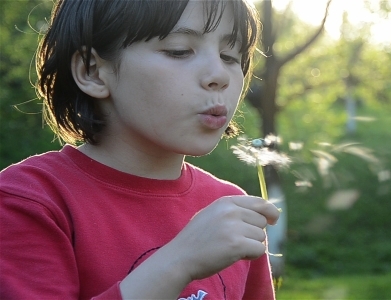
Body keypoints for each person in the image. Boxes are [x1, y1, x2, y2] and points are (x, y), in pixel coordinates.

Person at [0, 0, 281, 299]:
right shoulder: (32, 200)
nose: (220, 75)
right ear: (93, 72)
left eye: (229, 56)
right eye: (179, 50)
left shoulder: (231, 209)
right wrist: (178, 263)